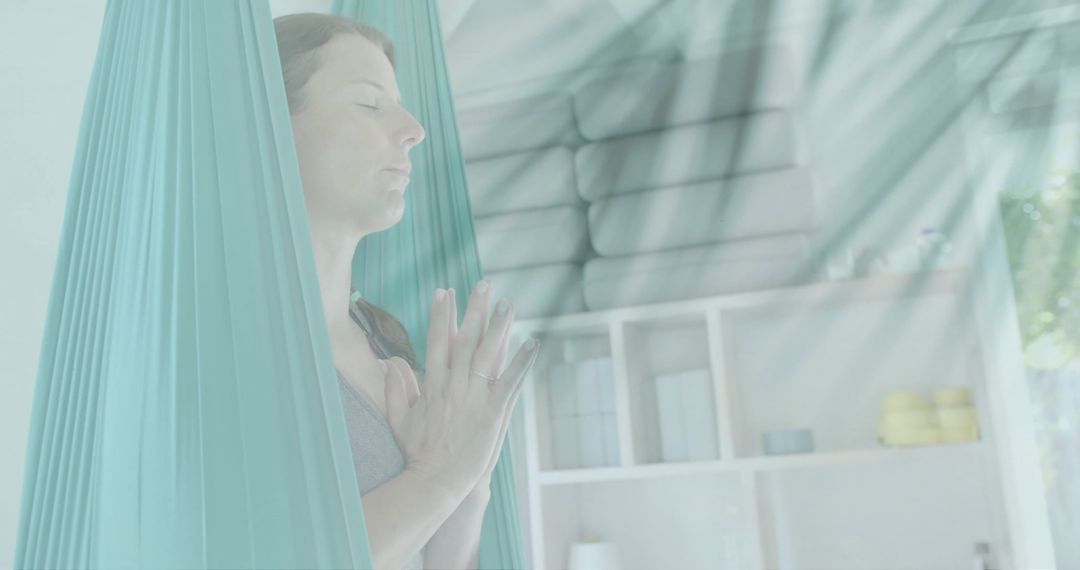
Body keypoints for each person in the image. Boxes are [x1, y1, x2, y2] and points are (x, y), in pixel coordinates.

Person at [273, 13, 540, 570]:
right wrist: (441, 476)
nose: (414, 128)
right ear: (269, 122)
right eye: (369, 103)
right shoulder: (235, 352)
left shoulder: (386, 344)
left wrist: (472, 481)